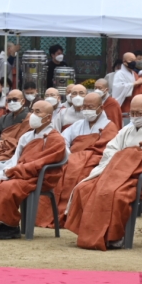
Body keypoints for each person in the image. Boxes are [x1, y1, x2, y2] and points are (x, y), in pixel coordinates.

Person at [65, 95, 142, 250]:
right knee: (85, 188)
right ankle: (90, 233)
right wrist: (126, 157)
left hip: (139, 179)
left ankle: (115, 236)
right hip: (115, 173)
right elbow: (112, 149)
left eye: (139, 113)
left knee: (113, 194)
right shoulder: (127, 129)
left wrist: (131, 157)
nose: (135, 117)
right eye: (132, 113)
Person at [0, 100, 66, 239]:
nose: (32, 115)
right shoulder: (27, 136)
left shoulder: (56, 139)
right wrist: (9, 169)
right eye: (32, 111)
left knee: (6, 188)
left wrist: (19, 170)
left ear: (48, 118)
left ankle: (10, 226)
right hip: (21, 173)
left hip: (39, 177)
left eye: (37, 112)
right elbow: (15, 159)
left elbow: (43, 163)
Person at [36, 92, 119, 230]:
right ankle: (50, 215)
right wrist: (70, 155)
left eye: (91, 107)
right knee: (54, 174)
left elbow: (108, 150)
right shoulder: (77, 125)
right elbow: (63, 141)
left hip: (94, 162)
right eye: (84, 106)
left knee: (81, 175)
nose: (87, 110)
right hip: (72, 159)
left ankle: (69, 216)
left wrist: (83, 157)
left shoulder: (109, 126)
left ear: (101, 107)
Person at [0, 89, 33, 184]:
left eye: (15, 99)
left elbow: (28, 141)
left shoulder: (30, 119)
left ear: (23, 101)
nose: (12, 102)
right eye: (9, 100)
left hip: (16, 153)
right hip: (0, 151)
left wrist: (6, 142)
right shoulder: (4, 119)